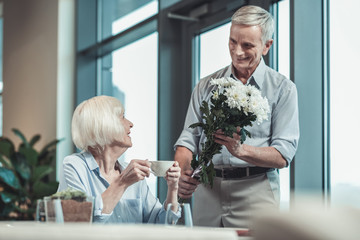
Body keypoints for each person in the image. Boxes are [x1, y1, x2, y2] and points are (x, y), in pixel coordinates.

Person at [174, 5, 299, 228]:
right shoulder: (205, 86)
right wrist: (182, 173)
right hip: (208, 191)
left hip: (256, 192)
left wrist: (241, 150)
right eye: (233, 41)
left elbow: (283, 154)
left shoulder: (283, 89)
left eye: (247, 45)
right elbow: (187, 140)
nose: (237, 51)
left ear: (266, 46)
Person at [58, 95, 181, 223]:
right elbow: (79, 221)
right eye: (122, 117)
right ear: (103, 125)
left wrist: (173, 188)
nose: (131, 124)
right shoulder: (74, 166)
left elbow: (162, 224)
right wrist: (122, 182)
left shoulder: (132, 173)